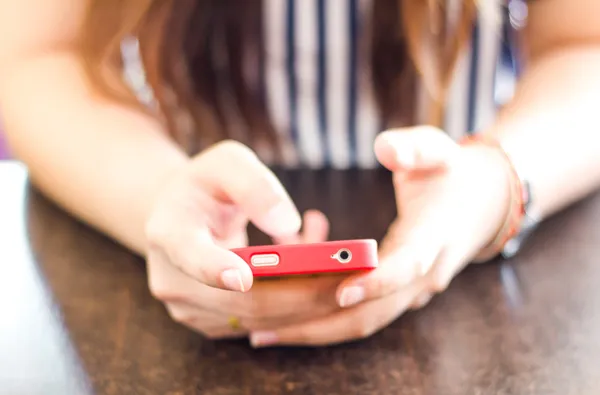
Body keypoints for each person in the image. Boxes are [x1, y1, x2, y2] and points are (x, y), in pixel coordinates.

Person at [1, 0, 600, 348]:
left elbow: (586, 42)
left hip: (483, 242)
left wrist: (494, 183)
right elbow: (34, 54)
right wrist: (154, 196)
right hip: (161, 209)